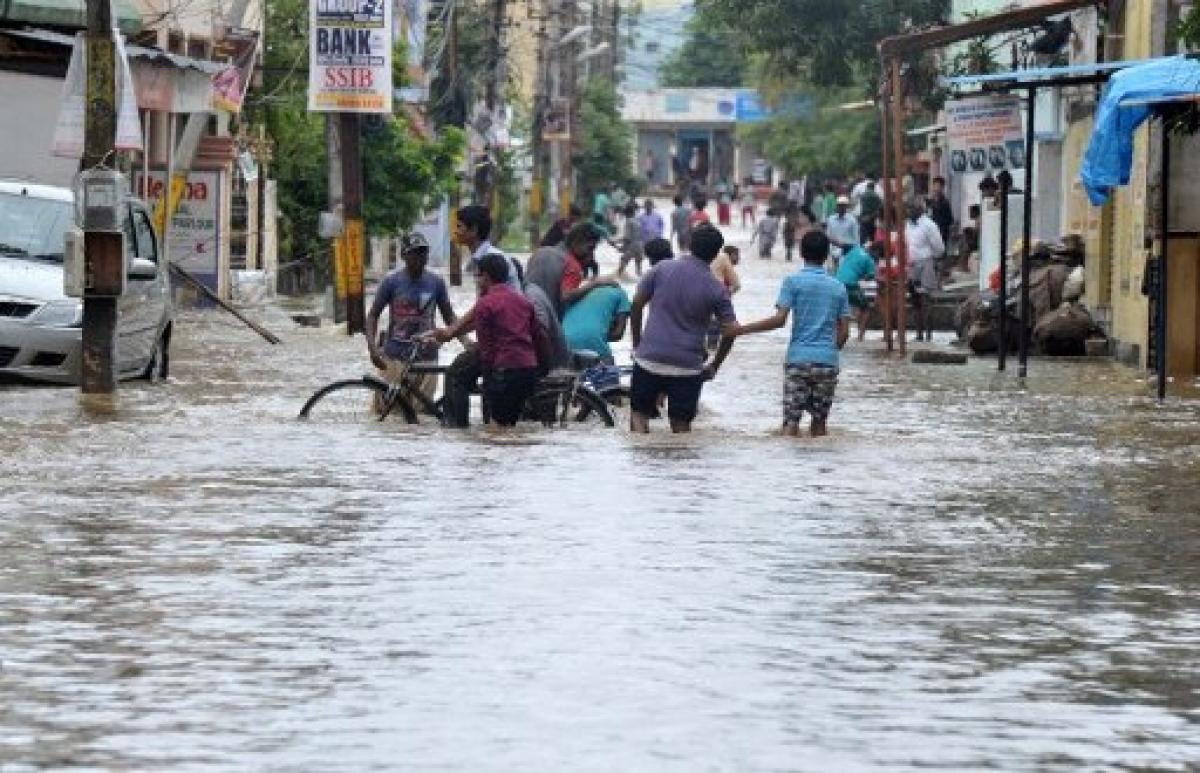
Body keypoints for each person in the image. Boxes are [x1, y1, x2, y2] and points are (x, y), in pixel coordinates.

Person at [727, 230, 851, 438]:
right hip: (827, 362)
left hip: (798, 361)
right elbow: (845, 332)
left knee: (790, 425)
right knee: (820, 427)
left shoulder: (792, 282)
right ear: (827, 254)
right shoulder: (838, 287)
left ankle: (789, 469)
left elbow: (779, 320)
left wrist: (742, 330)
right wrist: (829, 350)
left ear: (801, 253)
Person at [629, 223, 737, 433]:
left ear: (689, 245)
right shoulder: (717, 288)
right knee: (681, 427)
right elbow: (731, 331)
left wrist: (637, 344)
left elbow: (636, 304)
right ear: (715, 255)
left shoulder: (661, 269)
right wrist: (715, 364)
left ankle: (639, 467)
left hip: (649, 359)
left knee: (639, 416)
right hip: (687, 367)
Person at [431, 254, 551, 428]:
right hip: (528, 370)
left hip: (504, 371)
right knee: (510, 427)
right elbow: (540, 337)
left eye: (477, 276)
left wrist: (488, 381)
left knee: (496, 433)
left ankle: (458, 428)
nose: (477, 280)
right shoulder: (523, 301)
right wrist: (541, 367)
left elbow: (487, 349)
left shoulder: (485, 304)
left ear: (486, 277)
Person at [365, 232, 459, 406]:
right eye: (415, 252)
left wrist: (466, 340)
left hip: (427, 358)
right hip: (394, 357)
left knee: (421, 417)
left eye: (423, 252)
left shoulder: (436, 283)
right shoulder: (391, 282)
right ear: (404, 256)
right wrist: (372, 349)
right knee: (386, 413)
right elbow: (372, 315)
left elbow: (449, 316)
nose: (420, 257)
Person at [563, 279, 632, 365]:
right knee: (608, 373)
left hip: (564, 341)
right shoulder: (621, 294)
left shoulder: (581, 293)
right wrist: (602, 334)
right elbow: (618, 334)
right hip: (594, 341)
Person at [904, 202, 945, 342]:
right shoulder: (907, 225)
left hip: (926, 263)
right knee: (915, 301)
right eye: (908, 209)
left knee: (926, 301)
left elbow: (939, 248)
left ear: (920, 210)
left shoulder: (929, 225)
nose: (909, 212)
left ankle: (928, 334)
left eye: (911, 209)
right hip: (911, 265)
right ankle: (919, 334)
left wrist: (929, 258)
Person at [457, 205, 522, 290]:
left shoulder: (493, 259)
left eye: (459, 226)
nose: (456, 231)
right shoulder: (480, 257)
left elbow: (495, 298)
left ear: (474, 230)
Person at [560, 222, 618, 309]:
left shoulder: (551, 251)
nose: (591, 254)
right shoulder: (572, 265)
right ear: (577, 242)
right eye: (590, 248)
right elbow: (566, 296)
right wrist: (596, 283)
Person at [836, 242, 878, 342]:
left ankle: (838, 333)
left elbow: (844, 246)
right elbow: (870, 276)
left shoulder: (855, 249)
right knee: (865, 308)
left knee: (839, 309)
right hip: (850, 285)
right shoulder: (870, 260)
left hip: (837, 282)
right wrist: (863, 276)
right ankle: (860, 335)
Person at [825, 196, 861, 262]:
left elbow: (856, 239)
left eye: (843, 205)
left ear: (846, 207)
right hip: (833, 251)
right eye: (839, 205)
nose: (841, 207)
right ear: (837, 206)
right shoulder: (831, 219)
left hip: (847, 252)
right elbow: (828, 235)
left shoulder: (852, 220)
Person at [618, 202, 645, 278]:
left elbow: (627, 238)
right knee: (639, 269)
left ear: (626, 214)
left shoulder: (628, 222)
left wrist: (622, 246)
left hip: (632, 246)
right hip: (640, 246)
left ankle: (618, 277)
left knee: (623, 262)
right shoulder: (638, 221)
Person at [927, 176, 954, 250]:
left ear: (942, 188)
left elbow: (950, 220)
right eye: (934, 185)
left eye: (938, 186)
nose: (936, 188)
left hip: (941, 234)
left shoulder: (945, 203)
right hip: (930, 233)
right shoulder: (929, 202)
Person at [857, 181, 883, 246]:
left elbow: (861, 206)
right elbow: (879, 208)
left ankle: (862, 249)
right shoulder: (876, 196)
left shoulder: (863, 195)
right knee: (872, 236)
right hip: (872, 218)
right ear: (873, 187)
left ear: (867, 187)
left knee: (863, 237)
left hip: (863, 218)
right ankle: (872, 249)